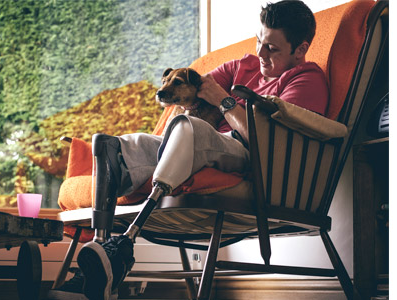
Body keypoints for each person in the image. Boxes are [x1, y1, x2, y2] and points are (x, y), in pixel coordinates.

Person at [76, 1, 328, 299]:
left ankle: (123, 245)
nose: (260, 54)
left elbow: (268, 144)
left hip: (250, 158)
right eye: (260, 41)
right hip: (203, 147)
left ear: (300, 49)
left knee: (190, 128)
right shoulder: (241, 66)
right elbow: (191, 89)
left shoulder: (307, 80)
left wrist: (225, 102)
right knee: (122, 145)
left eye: (272, 48)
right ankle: (99, 258)